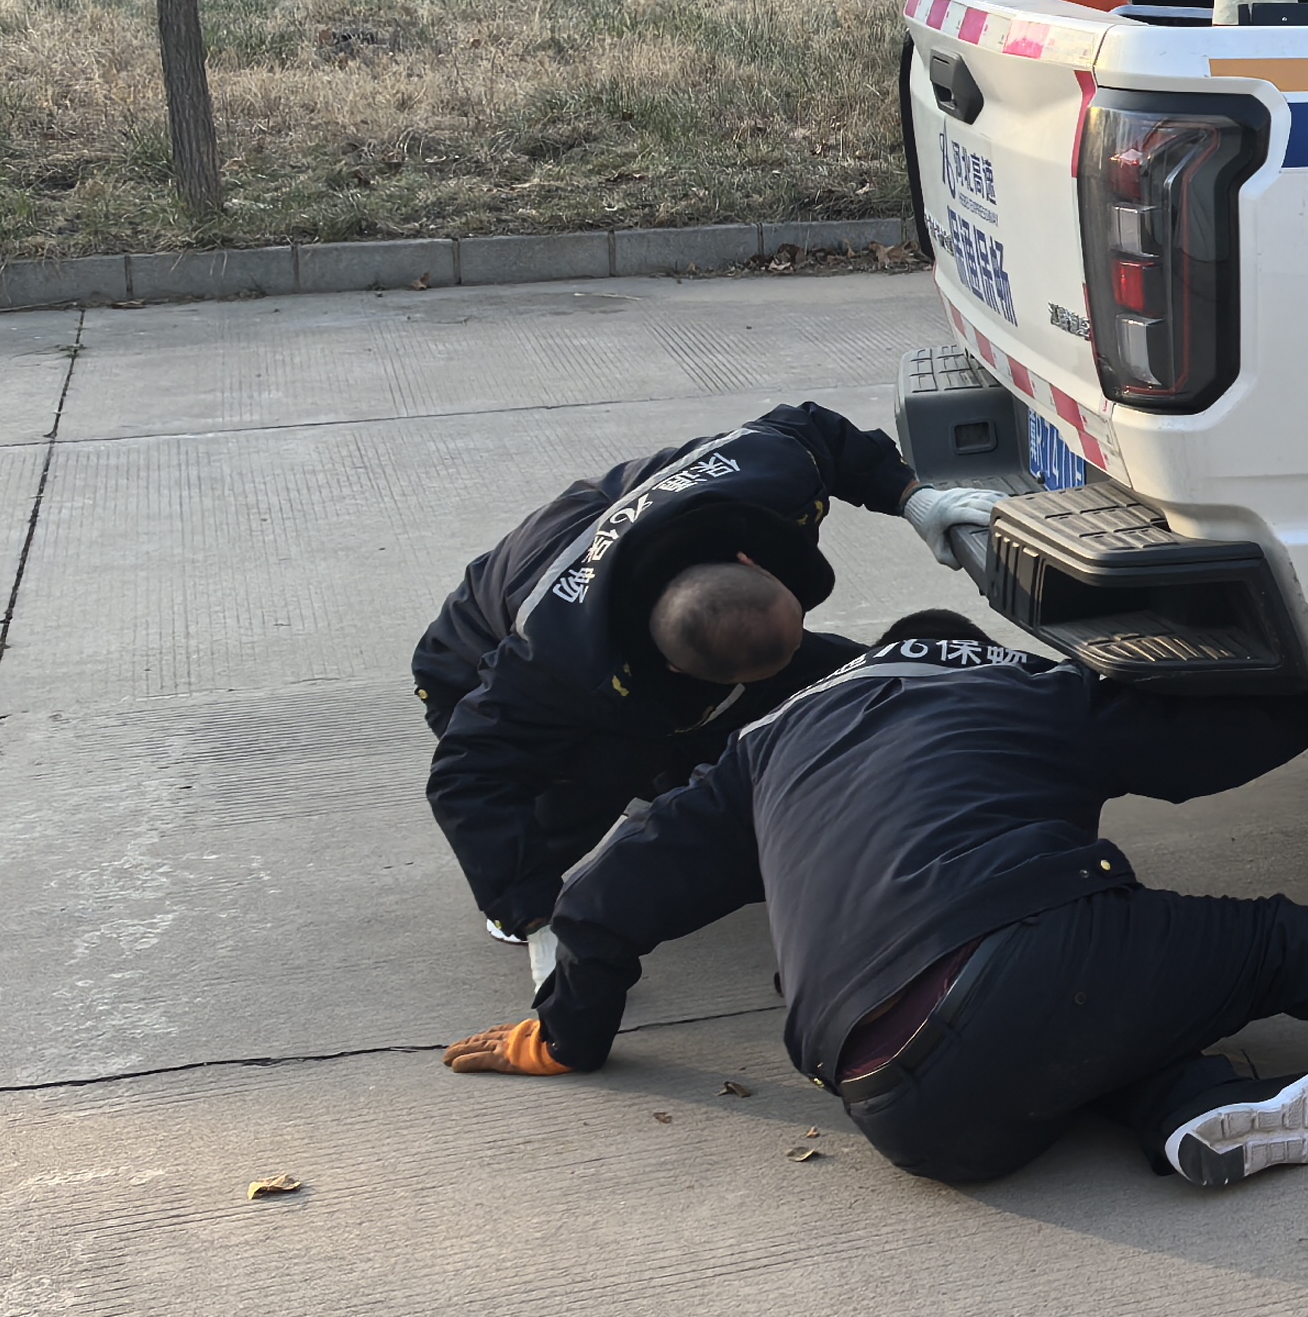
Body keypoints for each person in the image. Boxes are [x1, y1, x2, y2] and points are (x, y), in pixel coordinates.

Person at [440, 615, 1308, 1187]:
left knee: (1088, 998)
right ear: (959, 652)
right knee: (1272, 942)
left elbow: (600, 898)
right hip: (1024, 963)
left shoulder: (759, 758)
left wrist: (571, 1035)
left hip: (905, 1117)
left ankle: (1188, 1107)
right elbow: (1215, 744)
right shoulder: (1021, 695)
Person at [416, 400, 1007, 939]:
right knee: (617, 761)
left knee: (846, 685)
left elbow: (816, 429)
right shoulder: (557, 665)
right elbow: (467, 776)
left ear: (754, 564)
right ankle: (642, 792)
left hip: (641, 570)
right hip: (466, 670)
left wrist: (910, 497)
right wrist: (527, 905)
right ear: (675, 669)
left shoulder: (767, 473)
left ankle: (684, 761)